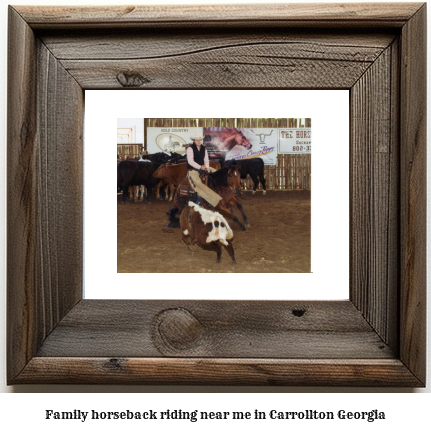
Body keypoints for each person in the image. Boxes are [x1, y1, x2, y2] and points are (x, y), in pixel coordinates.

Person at [186, 133, 221, 207]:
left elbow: (206, 159)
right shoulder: (190, 149)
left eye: (200, 140)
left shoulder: (203, 148)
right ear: (194, 141)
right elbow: (190, 161)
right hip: (193, 169)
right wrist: (200, 167)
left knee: (216, 173)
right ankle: (215, 200)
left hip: (203, 167)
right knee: (198, 184)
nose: (199, 141)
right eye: (197, 140)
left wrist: (207, 167)